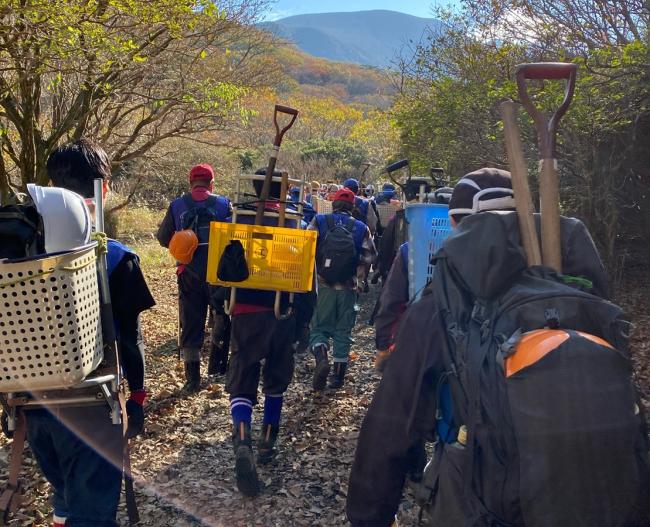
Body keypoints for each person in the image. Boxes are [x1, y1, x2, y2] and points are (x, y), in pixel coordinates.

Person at [345, 168, 639, 527]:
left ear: (454, 223)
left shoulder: (442, 307)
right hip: (605, 500)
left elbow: (389, 431)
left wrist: (368, 516)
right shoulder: (578, 293)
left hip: (484, 506)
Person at [22, 139, 155, 527]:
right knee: (93, 512)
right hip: (93, 407)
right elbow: (130, 340)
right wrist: (139, 398)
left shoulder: (22, 255)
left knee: (63, 496)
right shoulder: (117, 258)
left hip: (34, 406)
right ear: (105, 187)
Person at [225, 168, 302, 497]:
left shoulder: (237, 218)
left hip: (243, 308)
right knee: (275, 375)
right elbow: (304, 271)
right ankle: (268, 438)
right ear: (283, 191)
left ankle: (243, 437)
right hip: (280, 308)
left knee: (243, 373)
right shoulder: (293, 221)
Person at [156, 164, 232, 392]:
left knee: (191, 322)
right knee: (221, 315)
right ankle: (218, 369)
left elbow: (162, 238)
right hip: (219, 273)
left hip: (188, 273)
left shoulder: (177, 205)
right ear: (211, 184)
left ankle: (192, 379)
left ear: (190, 183)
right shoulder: (223, 204)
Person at [309, 188, 377, 391]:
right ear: (353, 207)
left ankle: (321, 358)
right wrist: (359, 278)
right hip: (349, 287)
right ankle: (337, 379)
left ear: (333, 204)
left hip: (323, 285)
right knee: (343, 332)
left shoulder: (319, 221)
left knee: (319, 328)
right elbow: (370, 257)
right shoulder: (361, 227)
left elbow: (306, 248)